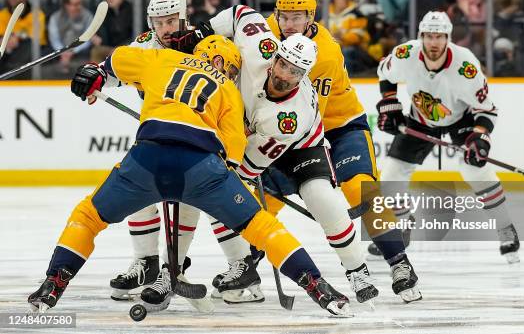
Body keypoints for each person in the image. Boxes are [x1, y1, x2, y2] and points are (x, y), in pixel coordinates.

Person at [27, 35, 352, 317]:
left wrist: (97, 76)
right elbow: (233, 152)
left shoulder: (165, 58)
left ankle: (53, 283)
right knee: (263, 227)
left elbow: (118, 59)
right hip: (210, 165)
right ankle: (317, 285)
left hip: (147, 160)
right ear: (230, 67)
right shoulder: (229, 89)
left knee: (88, 216)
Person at [200, 0, 418, 304]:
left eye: (297, 17)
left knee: (360, 189)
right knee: (256, 204)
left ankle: (398, 260)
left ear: (311, 17)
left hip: (336, 125)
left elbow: (301, 119)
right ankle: (246, 264)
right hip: (278, 129)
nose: (288, 23)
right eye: (283, 16)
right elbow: (239, 17)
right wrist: (201, 32)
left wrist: (247, 157)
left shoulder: (325, 54)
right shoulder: (267, 37)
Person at [171, 3, 379, 305]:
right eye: (283, 65)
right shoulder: (261, 48)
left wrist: (224, 168)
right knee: (225, 203)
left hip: (302, 148)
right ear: (275, 56)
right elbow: (240, 13)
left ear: (304, 75)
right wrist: (200, 33)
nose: (284, 75)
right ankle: (243, 270)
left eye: (295, 73)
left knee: (321, 197)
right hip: (255, 137)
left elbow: (248, 167)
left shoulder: (288, 117)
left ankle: (357, 270)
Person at [376, 11, 521, 264]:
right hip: (420, 119)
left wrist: (480, 136)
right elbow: (384, 74)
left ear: (448, 38)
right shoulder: (405, 54)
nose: (434, 42)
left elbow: (487, 109)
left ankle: (505, 227)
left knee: (475, 170)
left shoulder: (466, 67)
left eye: (439, 37)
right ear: (421, 36)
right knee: (390, 177)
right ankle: (401, 224)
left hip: (461, 120)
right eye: (429, 36)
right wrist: (389, 103)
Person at [102, 0, 205, 303]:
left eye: (172, 20)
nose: (166, 28)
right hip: (157, 132)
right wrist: (96, 79)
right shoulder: (143, 45)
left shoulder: (201, 42)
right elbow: (116, 71)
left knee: (194, 197)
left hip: (197, 132)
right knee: (138, 185)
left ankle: (176, 266)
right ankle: (146, 263)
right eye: (160, 22)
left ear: (182, 17)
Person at [0, 0, 47, 78]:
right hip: (8, 47)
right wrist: (5, 41)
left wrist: (17, 37)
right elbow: (1, 33)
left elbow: (35, 35)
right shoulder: (3, 14)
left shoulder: (37, 14)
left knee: (28, 46)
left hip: (30, 47)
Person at [47, 0, 94, 75]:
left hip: (81, 51)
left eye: (80, 3)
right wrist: (63, 51)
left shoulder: (88, 15)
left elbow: (89, 38)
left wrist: (73, 51)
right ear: (66, 5)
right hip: (59, 51)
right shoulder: (55, 17)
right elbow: (54, 39)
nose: (79, 6)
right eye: (76, 4)